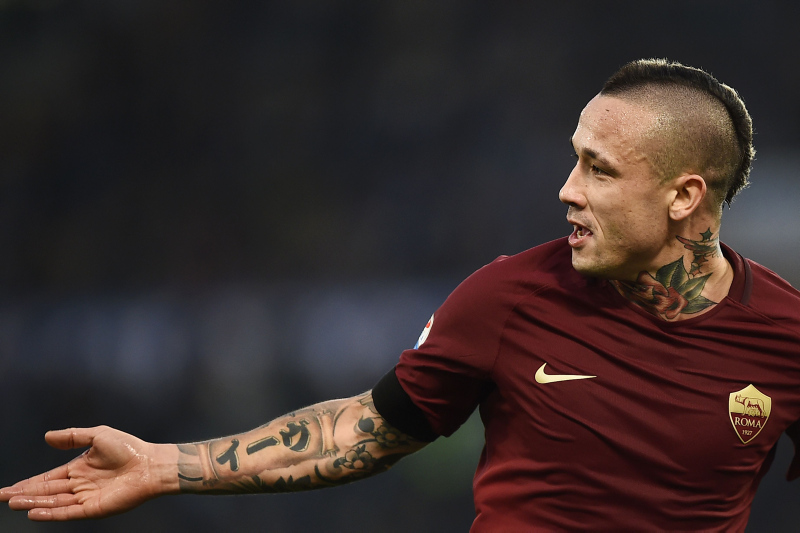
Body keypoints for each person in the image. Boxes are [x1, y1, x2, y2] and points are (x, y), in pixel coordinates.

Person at [3, 58, 800, 531]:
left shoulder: (786, 335)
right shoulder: (509, 296)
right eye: (573, 158)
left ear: (684, 195)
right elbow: (365, 429)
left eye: (600, 169)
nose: (567, 189)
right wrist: (162, 463)